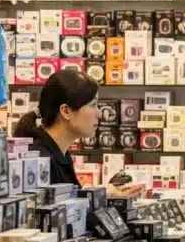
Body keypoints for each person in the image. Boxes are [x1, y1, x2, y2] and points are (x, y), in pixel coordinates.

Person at [14, 70, 143, 197]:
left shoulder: (60, 154)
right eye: (93, 105)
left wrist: (104, 194)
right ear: (66, 111)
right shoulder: (41, 160)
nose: (99, 113)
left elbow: (69, 202)